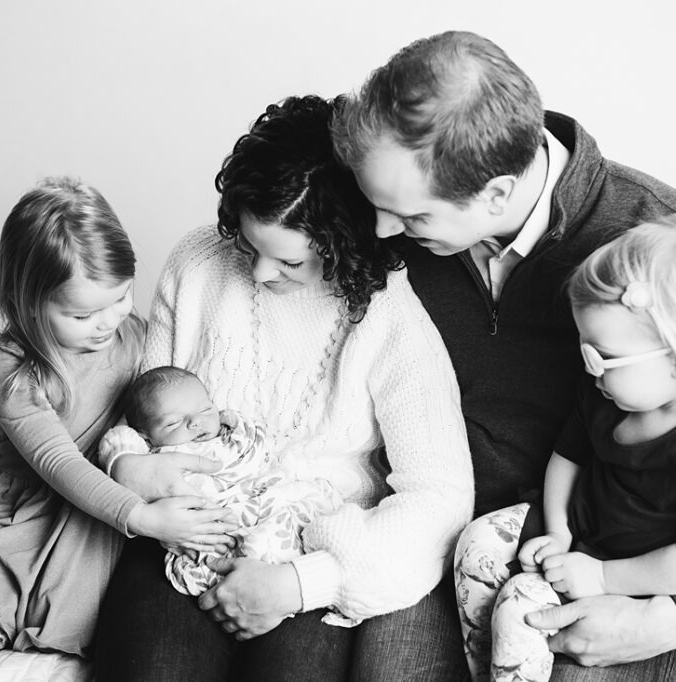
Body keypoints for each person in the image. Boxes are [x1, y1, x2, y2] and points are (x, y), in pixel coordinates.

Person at [330, 30, 676, 681]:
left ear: (494, 193)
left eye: (411, 219)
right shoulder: (397, 206)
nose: (381, 233)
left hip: (608, 562)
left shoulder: (671, 255)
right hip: (440, 530)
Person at [94, 94, 474, 681]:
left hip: (302, 553)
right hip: (187, 533)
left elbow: (441, 498)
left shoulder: (390, 319)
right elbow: (140, 409)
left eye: (290, 264)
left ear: (341, 243)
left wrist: (301, 584)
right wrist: (128, 468)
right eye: (249, 247)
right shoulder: (197, 264)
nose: (260, 273)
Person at [0, 177, 234, 659]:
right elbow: (59, 465)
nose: (108, 322)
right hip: (41, 500)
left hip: (114, 493)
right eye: (83, 314)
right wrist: (146, 518)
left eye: (120, 298)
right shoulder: (12, 368)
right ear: (30, 302)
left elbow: (167, 406)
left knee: (152, 612)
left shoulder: (136, 337)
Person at [454, 220, 676, 682]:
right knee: (475, 543)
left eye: (600, 355)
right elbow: (568, 456)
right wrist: (558, 531)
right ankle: (485, 663)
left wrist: (603, 579)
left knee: (520, 610)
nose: (589, 369)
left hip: (633, 577)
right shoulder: (605, 394)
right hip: (568, 530)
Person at [100, 365, 347, 620]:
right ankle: (255, 557)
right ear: (147, 438)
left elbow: (258, 452)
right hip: (207, 532)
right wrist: (122, 462)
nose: (195, 422)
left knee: (300, 509)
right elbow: (121, 435)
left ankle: (275, 566)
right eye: (174, 422)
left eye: (206, 409)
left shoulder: (237, 438)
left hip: (264, 499)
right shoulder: (154, 457)